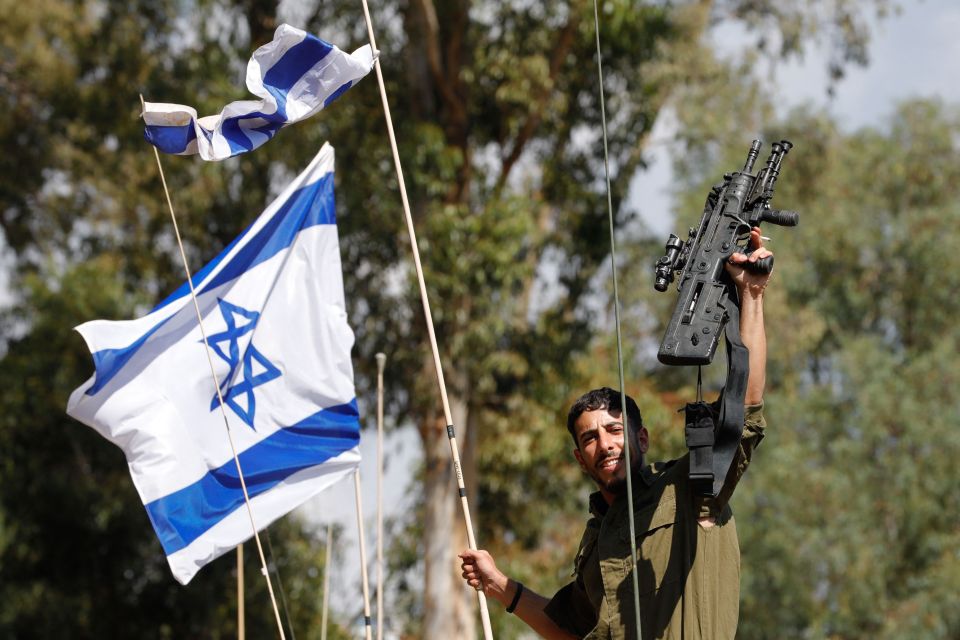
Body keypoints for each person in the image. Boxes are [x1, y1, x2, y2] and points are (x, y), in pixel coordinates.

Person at [459, 229, 773, 639]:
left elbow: (744, 410)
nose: (605, 444)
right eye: (590, 438)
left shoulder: (689, 489)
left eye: (614, 430)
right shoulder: (596, 540)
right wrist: (498, 585)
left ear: (641, 439)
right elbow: (568, 630)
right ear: (579, 458)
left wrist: (750, 296)